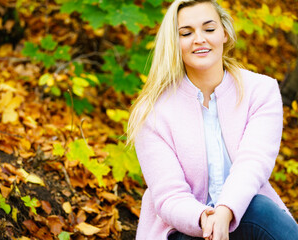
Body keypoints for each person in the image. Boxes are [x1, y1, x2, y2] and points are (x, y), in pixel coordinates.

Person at [126, 0, 298, 239]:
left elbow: (253, 164)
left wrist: (225, 211)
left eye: (209, 29)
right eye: (186, 33)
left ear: (224, 33)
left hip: (246, 218)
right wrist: (205, 218)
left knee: (260, 208)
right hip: (181, 229)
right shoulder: (152, 111)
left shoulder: (261, 91)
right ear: (174, 43)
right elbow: (169, 194)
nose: (199, 39)